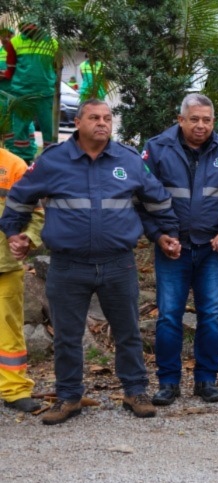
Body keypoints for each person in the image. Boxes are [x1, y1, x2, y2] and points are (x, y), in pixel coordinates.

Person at [0, 99, 181, 424]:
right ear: (79, 123)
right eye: (94, 118)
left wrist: (166, 233)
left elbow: (157, 200)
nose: (102, 123)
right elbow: (18, 197)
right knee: (68, 335)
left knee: (128, 332)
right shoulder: (53, 160)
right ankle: (68, 397)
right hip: (68, 266)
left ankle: (135, 391)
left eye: (107, 118)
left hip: (118, 263)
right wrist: (16, 233)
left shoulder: (128, 159)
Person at [142, 93, 218, 405]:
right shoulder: (156, 148)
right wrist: (159, 236)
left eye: (207, 120)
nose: (201, 125)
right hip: (172, 249)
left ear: (214, 122)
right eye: (194, 119)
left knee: (211, 316)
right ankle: (168, 383)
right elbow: (143, 199)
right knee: (169, 316)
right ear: (180, 119)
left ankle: (206, 381)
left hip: (211, 250)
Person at [0, 147, 42, 413]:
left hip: (4, 265)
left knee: (9, 330)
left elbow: (36, 212)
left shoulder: (13, 165)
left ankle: (14, 390)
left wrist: (29, 237)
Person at [8, 22, 57, 164]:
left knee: (48, 128)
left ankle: (49, 160)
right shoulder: (15, 42)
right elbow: (11, 67)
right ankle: (22, 160)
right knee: (20, 128)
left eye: (33, 28)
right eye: (25, 28)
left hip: (45, 93)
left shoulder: (53, 43)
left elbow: (56, 66)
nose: (29, 31)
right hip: (21, 93)